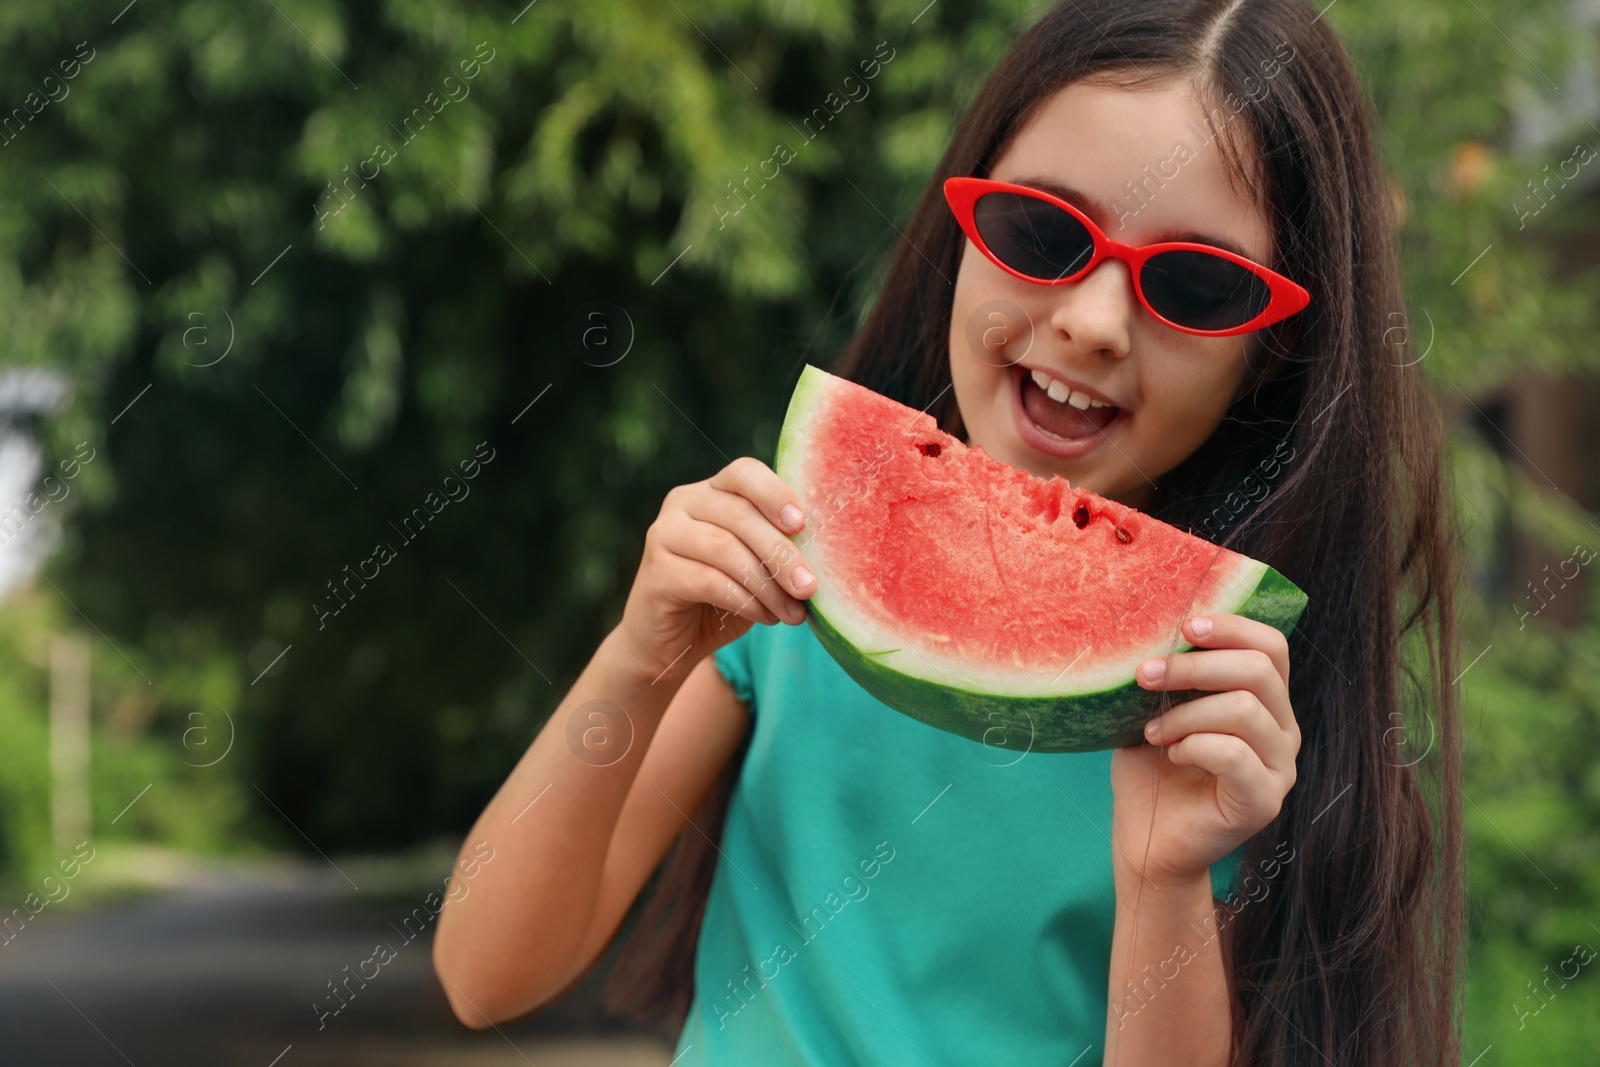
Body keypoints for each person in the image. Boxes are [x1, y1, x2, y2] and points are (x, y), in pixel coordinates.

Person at [432, 0, 1464, 1063]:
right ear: (958, 229)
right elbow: (486, 974)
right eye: (1043, 231)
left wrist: (1165, 872)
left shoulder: (1244, 726)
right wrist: (637, 659)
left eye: (1198, 286)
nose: (1094, 322)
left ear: (1275, 351)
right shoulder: (792, 571)